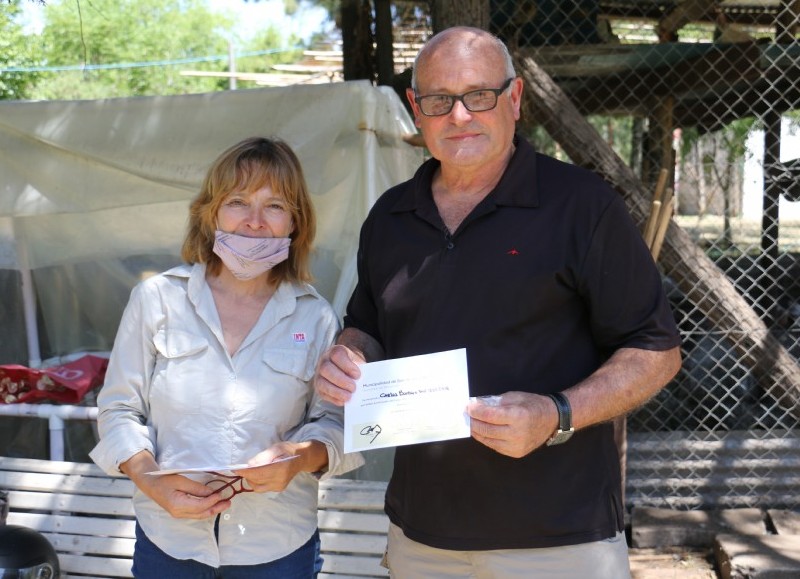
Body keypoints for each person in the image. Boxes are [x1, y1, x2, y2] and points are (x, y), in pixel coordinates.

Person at [314, 26, 682, 578]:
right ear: (417, 109)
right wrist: (348, 356)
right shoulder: (391, 218)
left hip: (558, 536)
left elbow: (656, 351)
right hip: (423, 532)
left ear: (513, 99)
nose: (459, 116)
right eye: (439, 101)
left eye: (478, 96)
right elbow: (367, 325)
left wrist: (556, 414)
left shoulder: (581, 207)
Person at [90, 136, 361, 578]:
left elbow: (335, 424)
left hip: (278, 547)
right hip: (168, 541)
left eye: (275, 206)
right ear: (211, 211)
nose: (254, 221)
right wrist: (149, 480)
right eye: (238, 201)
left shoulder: (315, 317)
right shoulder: (157, 299)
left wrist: (298, 458)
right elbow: (119, 408)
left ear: (296, 222)